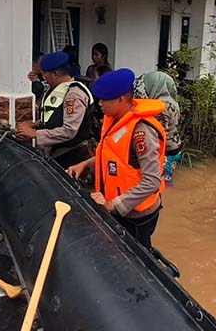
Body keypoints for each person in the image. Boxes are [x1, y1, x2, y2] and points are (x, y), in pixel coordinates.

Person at [67, 69, 167, 250]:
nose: (99, 103)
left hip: (136, 215)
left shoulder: (141, 132)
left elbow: (151, 181)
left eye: (105, 99)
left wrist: (113, 205)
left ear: (121, 99)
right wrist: (85, 164)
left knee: (138, 257)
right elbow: (115, 157)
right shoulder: (114, 119)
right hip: (116, 207)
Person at [16, 51, 94, 169]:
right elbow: (53, 117)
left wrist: (35, 134)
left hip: (73, 158)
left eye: (44, 74)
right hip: (56, 154)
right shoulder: (56, 90)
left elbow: (69, 130)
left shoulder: (74, 94)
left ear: (55, 73)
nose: (44, 78)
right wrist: (33, 125)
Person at [134, 72, 182, 186]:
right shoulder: (171, 101)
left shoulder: (161, 106)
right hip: (174, 147)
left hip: (167, 152)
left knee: (161, 184)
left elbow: (159, 134)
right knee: (164, 181)